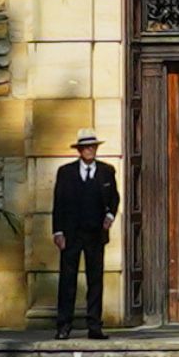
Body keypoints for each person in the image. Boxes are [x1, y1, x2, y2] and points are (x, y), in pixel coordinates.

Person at [50, 131, 120, 337]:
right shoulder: (66, 172)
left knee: (95, 280)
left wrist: (110, 215)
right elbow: (58, 203)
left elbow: (114, 198)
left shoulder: (107, 171)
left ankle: (95, 326)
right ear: (79, 150)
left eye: (93, 147)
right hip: (71, 233)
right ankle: (64, 326)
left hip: (95, 234)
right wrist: (58, 231)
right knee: (67, 280)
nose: (90, 150)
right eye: (87, 147)